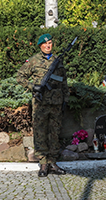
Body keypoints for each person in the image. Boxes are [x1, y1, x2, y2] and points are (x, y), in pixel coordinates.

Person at [16, 34, 68, 177]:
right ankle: (43, 164)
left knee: (54, 133)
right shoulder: (33, 61)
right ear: (40, 46)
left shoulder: (58, 60)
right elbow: (20, 76)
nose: (48, 46)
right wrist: (33, 87)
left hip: (56, 103)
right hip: (40, 104)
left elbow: (63, 81)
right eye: (45, 44)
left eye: (50, 43)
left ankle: (53, 162)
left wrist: (65, 98)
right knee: (40, 133)